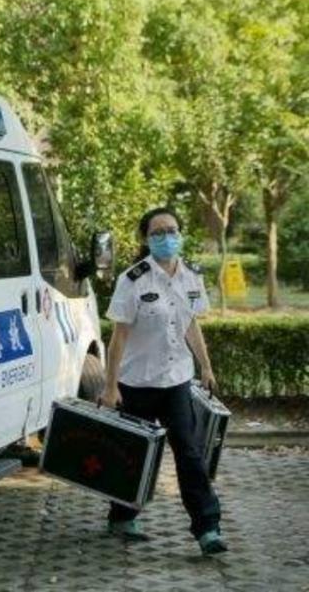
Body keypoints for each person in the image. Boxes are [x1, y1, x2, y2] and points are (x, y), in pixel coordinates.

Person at [100, 206, 227, 555]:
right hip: (136, 383)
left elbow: (191, 324)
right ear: (146, 239)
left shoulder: (191, 276)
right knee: (133, 454)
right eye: (157, 233)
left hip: (176, 382)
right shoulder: (133, 279)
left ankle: (208, 528)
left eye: (171, 230)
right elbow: (119, 338)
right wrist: (110, 387)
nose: (166, 237)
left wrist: (206, 366)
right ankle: (122, 517)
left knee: (189, 453)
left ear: (180, 234)